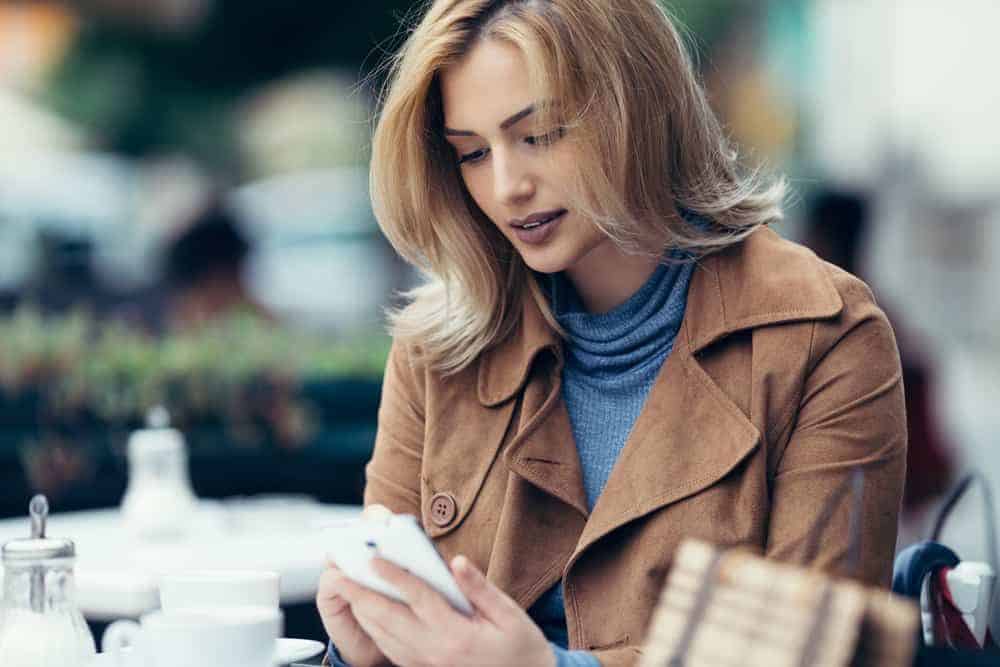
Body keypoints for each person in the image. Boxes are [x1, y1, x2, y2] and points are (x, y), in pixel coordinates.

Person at [316, 2, 907, 666]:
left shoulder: (823, 336)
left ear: (640, 104)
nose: (508, 185)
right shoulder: (438, 347)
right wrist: (360, 654)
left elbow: (819, 655)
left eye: (540, 134)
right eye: (473, 153)